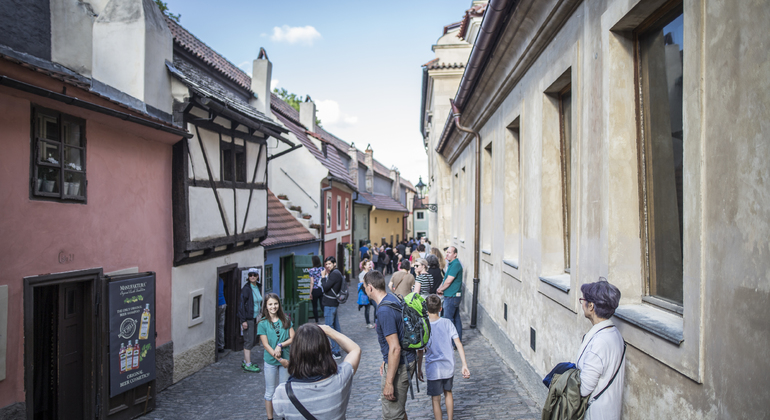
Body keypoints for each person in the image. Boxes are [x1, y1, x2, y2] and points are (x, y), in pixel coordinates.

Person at [271, 324, 362, 420]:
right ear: (325, 350)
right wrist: (329, 330)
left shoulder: (283, 392)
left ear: (295, 352)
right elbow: (355, 349)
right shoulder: (340, 379)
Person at [363, 270, 416, 420]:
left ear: (370, 288)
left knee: (392, 415)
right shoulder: (392, 298)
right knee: (398, 410)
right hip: (404, 360)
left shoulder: (384, 311)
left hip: (400, 365)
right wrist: (385, 359)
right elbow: (396, 337)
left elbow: (395, 348)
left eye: (365, 287)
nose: (365, 290)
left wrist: (389, 382)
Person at [576, 279, 625, 420]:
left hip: (596, 413)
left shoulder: (600, 342)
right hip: (608, 410)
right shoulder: (613, 333)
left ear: (591, 306)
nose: (582, 305)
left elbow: (584, 388)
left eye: (583, 300)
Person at [416, 294, 470, 420]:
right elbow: (458, 343)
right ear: (441, 308)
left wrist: (419, 369)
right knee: (448, 393)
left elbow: (420, 351)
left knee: (435, 400)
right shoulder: (447, 323)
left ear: (425, 309)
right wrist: (464, 364)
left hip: (433, 368)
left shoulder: (423, 326)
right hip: (448, 366)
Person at [258, 293, 295, 420]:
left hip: (286, 358)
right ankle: (270, 418)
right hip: (271, 361)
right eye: (270, 304)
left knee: (284, 390)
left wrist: (280, 345)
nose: (273, 307)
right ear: (266, 307)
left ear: (279, 304)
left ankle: (284, 416)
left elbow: (293, 337)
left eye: (275, 303)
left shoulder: (285, 319)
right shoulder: (262, 323)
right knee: (270, 392)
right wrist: (279, 359)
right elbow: (266, 345)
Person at [436, 246, 463, 342]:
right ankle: (457, 341)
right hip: (452, 295)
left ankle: (451, 342)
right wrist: (441, 288)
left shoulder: (455, 264)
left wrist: (440, 290)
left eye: (450, 252)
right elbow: (445, 279)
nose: (447, 254)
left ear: (455, 254)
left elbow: (448, 281)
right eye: (447, 252)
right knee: (456, 319)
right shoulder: (451, 264)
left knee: (448, 320)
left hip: (452, 296)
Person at [238, 270, 262, 372]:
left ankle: (245, 361)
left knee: (252, 340)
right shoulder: (246, 289)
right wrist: (243, 320)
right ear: (248, 277)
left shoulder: (258, 287)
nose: (252, 277)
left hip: (256, 317)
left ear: (257, 276)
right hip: (248, 318)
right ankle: (248, 364)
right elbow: (241, 305)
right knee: (249, 341)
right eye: (250, 275)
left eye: (254, 275)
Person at [321, 256, 344, 359]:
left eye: (329, 264)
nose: (327, 266)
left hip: (330, 304)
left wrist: (323, 278)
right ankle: (338, 348)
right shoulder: (336, 273)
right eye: (326, 264)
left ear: (334, 264)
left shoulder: (334, 274)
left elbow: (325, 287)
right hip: (332, 303)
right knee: (336, 327)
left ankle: (336, 351)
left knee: (329, 329)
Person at [358, 258, 376, 329]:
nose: (370, 266)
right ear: (364, 266)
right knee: (367, 309)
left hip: (372, 294)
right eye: (369, 265)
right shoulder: (362, 274)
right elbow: (362, 286)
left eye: (370, 264)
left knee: (376, 306)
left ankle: (375, 322)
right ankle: (368, 323)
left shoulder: (372, 272)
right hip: (366, 294)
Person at [309, 256, 324, 323]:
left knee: (314, 306)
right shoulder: (322, 269)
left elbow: (312, 282)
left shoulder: (311, 270)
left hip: (315, 290)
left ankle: (317, 321)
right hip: (321, 289)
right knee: (322, 304)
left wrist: (310, 292)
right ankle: (326, 317)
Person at [216, 277, 226, 353]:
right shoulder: (221, 280)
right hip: (223, 303)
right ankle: (221, 345)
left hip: (218, 304)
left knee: (216, 326)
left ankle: (218, 345)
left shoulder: (215, 279)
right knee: (221, 326)